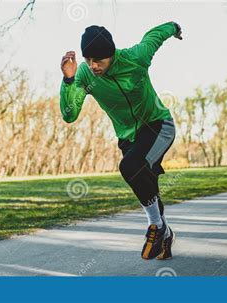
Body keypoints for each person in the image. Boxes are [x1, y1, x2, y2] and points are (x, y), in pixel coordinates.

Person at [60, 22, 182, 260]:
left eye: (99, 61)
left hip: (157, 125)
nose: (94, 66)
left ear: (111, 54)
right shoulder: (85, 74)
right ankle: (165, 236)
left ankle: (157, 227)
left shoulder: (135, 57)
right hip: (128, 137)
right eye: (89, 60)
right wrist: (68, 81)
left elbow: (153, 36)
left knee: (131, 167)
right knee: (148, 186)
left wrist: (174, 27)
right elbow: (69, 114)